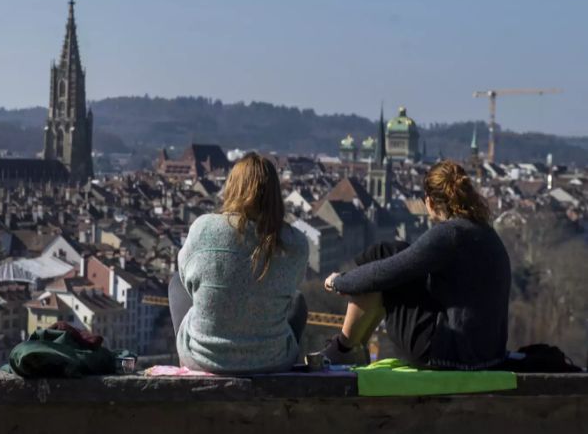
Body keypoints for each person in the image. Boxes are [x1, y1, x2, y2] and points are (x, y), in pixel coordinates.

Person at [319, 160, 511, 369]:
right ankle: (351, 348)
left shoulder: (449, 234)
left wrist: (339, 281)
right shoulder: (484, 231)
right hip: (488, 353)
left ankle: (344, 349)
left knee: (381, 258)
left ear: (429, 202)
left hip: (448, 353)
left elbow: (384, 273)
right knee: (390, 252)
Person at [169, 153, 309, 374]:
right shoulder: (296, 242)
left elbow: (187, 278)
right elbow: (292, 290)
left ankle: (186, 362)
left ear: (232, 187)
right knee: (298, 301)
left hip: (202, 358)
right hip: (274, 361)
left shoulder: (203, 228)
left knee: (177, 282)